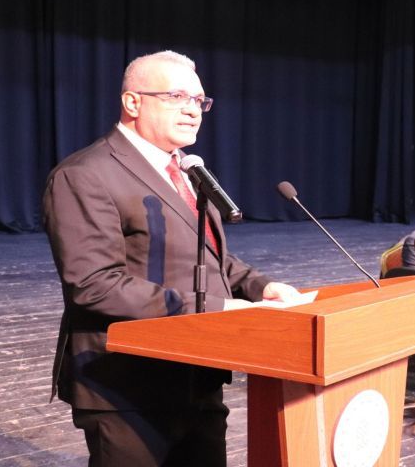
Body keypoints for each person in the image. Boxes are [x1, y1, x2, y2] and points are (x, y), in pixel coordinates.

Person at [42, 50, 304, 466]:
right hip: (127, 385)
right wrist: (215, 309)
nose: (193, 110)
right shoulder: (85, 174)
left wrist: (260, 286)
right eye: (176, 96)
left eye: (199, 100)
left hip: (197, 372)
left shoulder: (186, 169)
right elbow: (94, 284)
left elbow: (207, 254)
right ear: (133, 102)